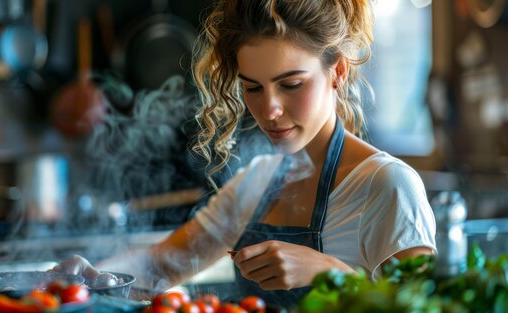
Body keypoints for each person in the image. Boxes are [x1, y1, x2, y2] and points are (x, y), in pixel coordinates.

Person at [52, 0, 436, 308]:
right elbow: (160, 264)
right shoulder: (259, 180)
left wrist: (332, 274)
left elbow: (426, 306)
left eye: (290, 85)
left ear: (337, 71)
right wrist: (93, 277)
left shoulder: (386, 186)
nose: (269, 110)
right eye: (253, 88)